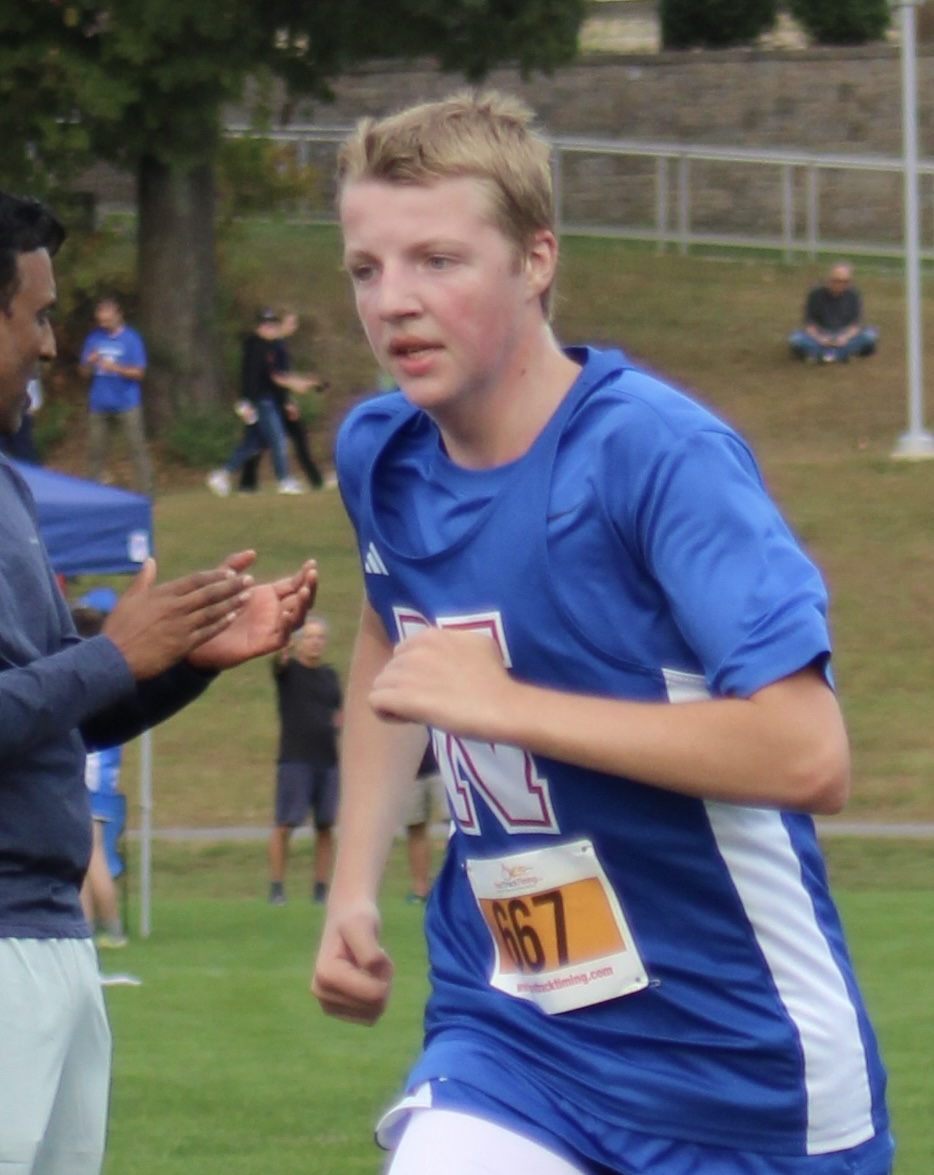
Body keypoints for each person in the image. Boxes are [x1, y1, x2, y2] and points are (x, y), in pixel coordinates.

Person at [311, 93, 893, 1175]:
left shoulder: (657, 456)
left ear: (536, 259)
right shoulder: (378, 452)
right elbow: (397, 640)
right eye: (365, 269)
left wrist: (507, 705)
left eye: (438, 260)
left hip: (737, 1068)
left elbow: (808, 753)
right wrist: (352, 886)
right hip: (512, 1033)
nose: (394, 302)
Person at [0, 189, 318, 1175]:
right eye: (40, 315)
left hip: (52, 940)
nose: (53, 347)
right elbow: (80, 675)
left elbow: (59, 717)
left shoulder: (9, 486)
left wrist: (187, 657)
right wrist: (113, 650)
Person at [268, 615, 343, 906]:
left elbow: (338, 709)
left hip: (327, 760)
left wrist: (338, 723)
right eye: (309, 637)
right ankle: (276, 886)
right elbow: (278, 660)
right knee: (285, 824)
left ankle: (321, 888)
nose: (315, 642)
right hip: (295, 760)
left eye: (319, 637)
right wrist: (284, 634)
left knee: (325, 826)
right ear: (299, 641)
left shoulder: (329, 675)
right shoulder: (289, 672)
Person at [207, 308, 322, 497]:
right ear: (259, 326)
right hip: (260, 401)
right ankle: (283, 480)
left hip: (265, 399)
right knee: (277, 439)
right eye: (266, 325)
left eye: (272, 325)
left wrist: (294, 387)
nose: (269, 329)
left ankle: (221, 475)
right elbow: (260, 378)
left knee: (253, 443)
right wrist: (246, 402)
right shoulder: (256, 347)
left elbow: (275, 377)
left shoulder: (269, 347)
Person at [71, 589, 127, 949]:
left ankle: (113, 928)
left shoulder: (89, 673)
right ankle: (87, 927)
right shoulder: (109, 670)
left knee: (91, 856)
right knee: (86, 855)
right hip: (101, 776)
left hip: (91, 776)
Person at [238, 310, 331, 492]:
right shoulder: (270, 346)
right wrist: (289, 397)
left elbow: (281, 375)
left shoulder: (276, 345)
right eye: (290, 323)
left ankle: (247, 483)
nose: (293, 328)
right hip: (271, 400)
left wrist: (303, 383)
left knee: (264, 439)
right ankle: (253, 481)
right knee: (267, 439)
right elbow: (274, 376)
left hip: (275, 398)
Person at [79, 294, 155, 495]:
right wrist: (89, 361)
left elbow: (139, 372)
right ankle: (92, 494)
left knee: (136, 449)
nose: (104, 324)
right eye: (101, 320)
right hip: (99, 404)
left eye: (107, 319)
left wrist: (116, 368)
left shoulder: (131, 339)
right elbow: (83, 372)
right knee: (96, 452)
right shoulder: (94, 338)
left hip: (127, 403)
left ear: (118, 315)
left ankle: (145, 494)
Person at [788, 262, 878, 364]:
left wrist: (845, 337)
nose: (840, 285)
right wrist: (820, 338)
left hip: (844, 335)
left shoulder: (854, 295)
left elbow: (855, 325)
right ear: (829, 279)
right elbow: (809, 324)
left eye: (845, 282)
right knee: (795, 337)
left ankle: (822, 355)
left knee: (870, 333)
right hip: (821, 334)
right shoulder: (815, 294)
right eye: (837, 281)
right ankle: (843, 354)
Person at [403, 743, 444, 905]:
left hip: (442, 766)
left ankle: (459, 887)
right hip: (410, 770)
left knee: (456, 826)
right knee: (415, 827)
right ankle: (421, 891)